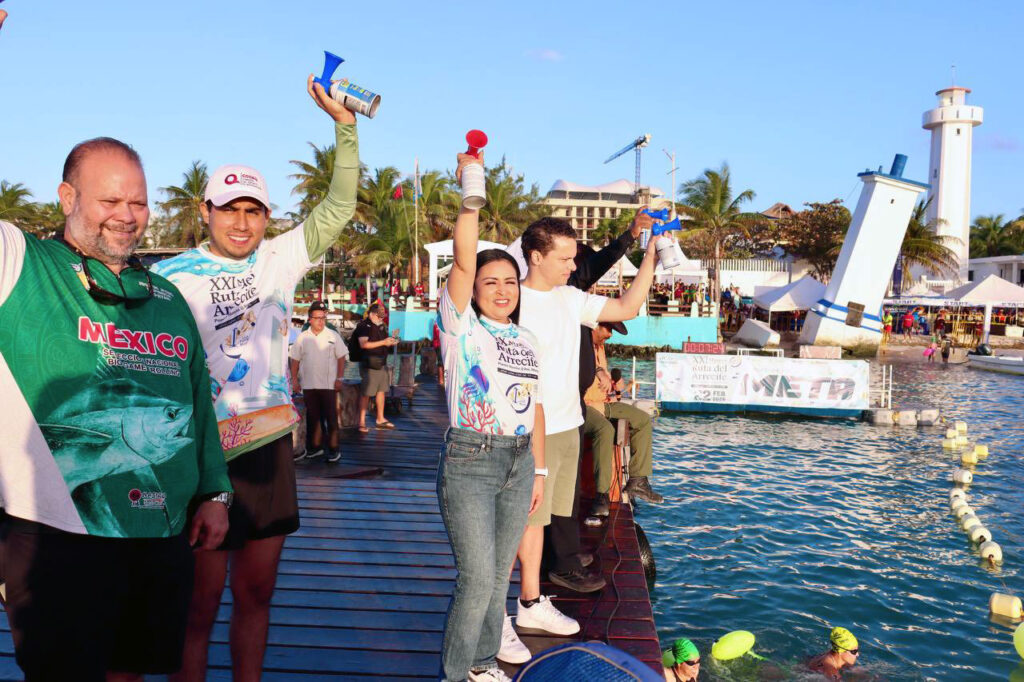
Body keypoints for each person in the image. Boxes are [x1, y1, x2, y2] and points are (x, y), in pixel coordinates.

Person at [151, 76, 359, 682]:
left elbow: (340, 206)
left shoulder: (280, 259)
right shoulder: (170, 277)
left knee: (257, 593)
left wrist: (344, 129)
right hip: (201, 455)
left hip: (267, 447)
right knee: (198, 605)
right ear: (205, 211)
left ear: (267, 217)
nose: (241, 223)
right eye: (229, 209)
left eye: (254, 211)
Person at [0, 137, 231, 681]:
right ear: (66, 196)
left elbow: (197, 404)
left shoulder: (168, 297)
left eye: (138, 203)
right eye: (109, 201)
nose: (127, 217)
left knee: (132, 670)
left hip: (161, 529)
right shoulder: (20, 264)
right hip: (54, 530)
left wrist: (215, 493)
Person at [513, 214, 660, 633]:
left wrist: (650, 256)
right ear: (536, 256)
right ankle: (515, 599)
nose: (573, 266)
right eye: (564, 258)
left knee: (560, 508)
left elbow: (627, 306)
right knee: (529, 516)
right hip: (528, 429)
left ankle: (539, 591)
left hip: (568, 420)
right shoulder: (514, 301)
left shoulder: (571, 298)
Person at [436, 151, 544, 682]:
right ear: (474, 290)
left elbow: (533, 410)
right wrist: (471, 192)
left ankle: (482, 663)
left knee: (498, 575)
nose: (503, 290)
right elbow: (461, 259)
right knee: (476, 579)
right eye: (490, 282)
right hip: (471, 459)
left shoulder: (526, 339)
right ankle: (456, 675)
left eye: (510, 282)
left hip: (518, 464)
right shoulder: (461, 329)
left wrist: (539, 471)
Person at [584, 322, 663, 517]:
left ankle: (638, 480)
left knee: (643, 420)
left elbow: (603, 387)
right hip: (582, 406)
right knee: (605, 430)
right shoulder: (578, 343)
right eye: (608, 329)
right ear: (594, 325)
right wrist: (598, 372)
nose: (610, 335)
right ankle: (602, 495)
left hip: (603, 404)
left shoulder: (599, 347)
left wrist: (616, 387)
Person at [289, 301, 347, 463]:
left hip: (328, 385)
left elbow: (342, 357)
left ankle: (334, 450)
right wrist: (294, 380)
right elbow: (295, 360)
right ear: (310, 319)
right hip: (308, 385)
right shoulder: (302, 337)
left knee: (331, 417)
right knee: (313, 418)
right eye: (317, 318)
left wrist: (340, 378)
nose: (321, 321)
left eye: (323, 317)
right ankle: (316, 448)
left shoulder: (332, 336)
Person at [353, 302, 399, 432]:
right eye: (379, 316)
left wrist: (390, 341)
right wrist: (384, 342)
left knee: (382, 390)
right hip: (369, 363)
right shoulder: (364, 326)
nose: (381, 319)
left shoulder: (382, 326)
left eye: (382, 317)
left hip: (381, 362)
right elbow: (364, 344)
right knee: (366, 393)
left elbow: (382, 342)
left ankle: (380, 418)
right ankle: (361, 421)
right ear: (372, 314)